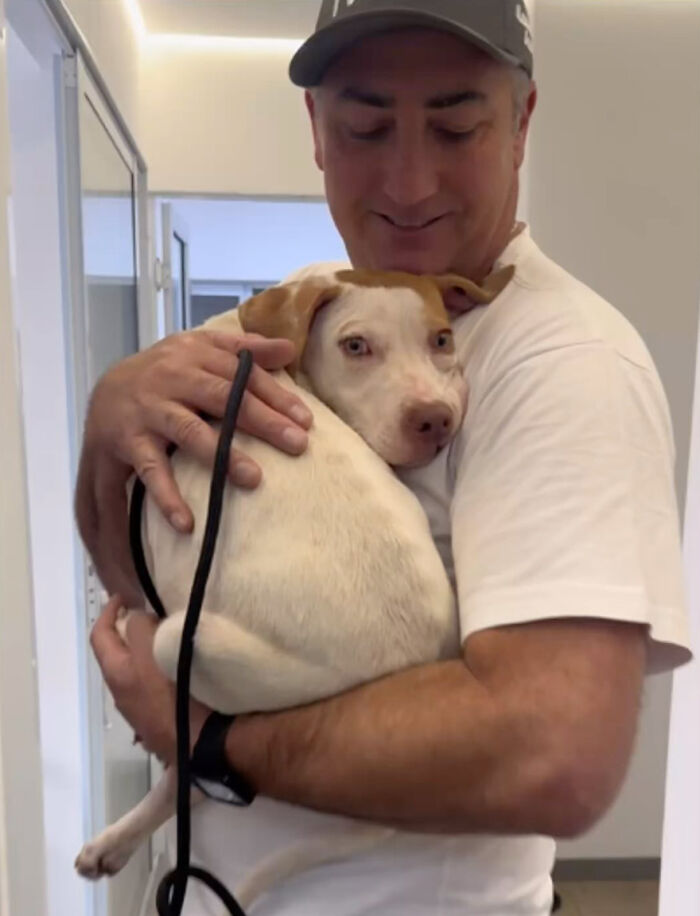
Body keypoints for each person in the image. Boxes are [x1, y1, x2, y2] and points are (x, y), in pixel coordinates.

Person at [81, 1, 692, 914]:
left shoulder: (561, 363)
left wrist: (206, 739)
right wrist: (107, 422)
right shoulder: (297, 319)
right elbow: (140, 580)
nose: (408, 181)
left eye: (455, 123)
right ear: (317, 133)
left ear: (520, 126)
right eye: (366, 125)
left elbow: (552, 758)